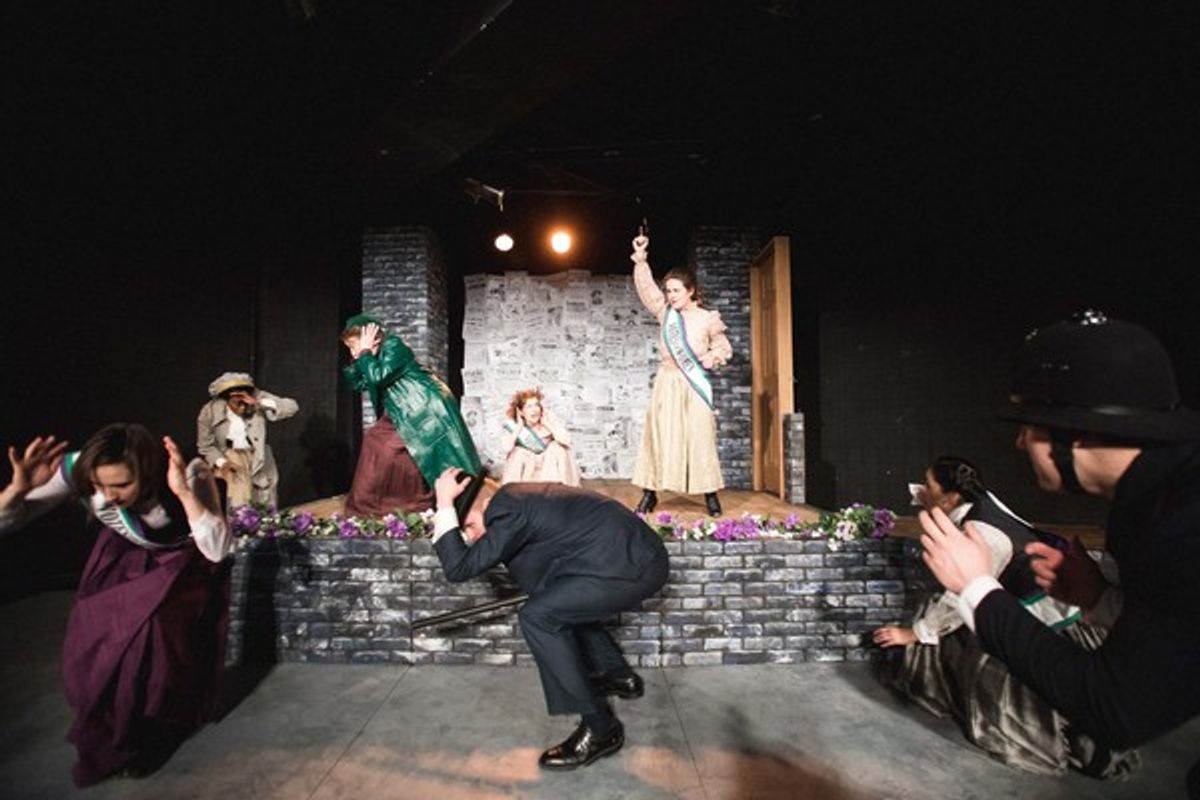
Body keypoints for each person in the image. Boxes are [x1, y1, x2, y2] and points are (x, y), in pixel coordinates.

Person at [918, 311, 1200, 797]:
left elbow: (1117, 709)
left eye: (1030, 425)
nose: (1020, 441)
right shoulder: (1152, 499)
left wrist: (977, 589)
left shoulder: (1182, 524)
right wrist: (1099, 599)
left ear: (1079, 434)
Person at [0, 424, 232, 786]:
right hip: (120, 559)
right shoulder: (80, 470)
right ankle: (114, 727)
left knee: (148, 639)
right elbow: (7, 522)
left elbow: (217, 549)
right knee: (93, 640)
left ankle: (153, 732)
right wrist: (18, 490)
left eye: (121, 485)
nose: (107, 497)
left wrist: (185, 494)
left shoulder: (187, 472)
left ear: (146, 472)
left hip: (180, 566)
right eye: (99, 486)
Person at [874, 456, 1136, 776]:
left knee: (985, 664)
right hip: (1032, 597)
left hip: (1050, 611)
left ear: (952, 496)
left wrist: (915, 632)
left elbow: (962, 594)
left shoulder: (981, 531)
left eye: (928, 486)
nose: (921, 491)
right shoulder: (980, 499)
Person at [431, 467, 669, 770]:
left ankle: (601, 729)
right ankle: (618, 676)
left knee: (538, 617)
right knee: (557, 604)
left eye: (468, 526)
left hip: (630, 567)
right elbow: (542, 569)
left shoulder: (506, 510)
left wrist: (444, 504)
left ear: (483, 507)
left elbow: (458, 568)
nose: (471, 536)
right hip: (634, 556)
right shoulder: (518, 497)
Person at [629, 234, 732, 517]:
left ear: (691, 291)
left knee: (700, 437)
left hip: (693, 383)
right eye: (669, 290)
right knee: (659, 437)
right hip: (667, 382)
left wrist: (712, 357)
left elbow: (723, 347)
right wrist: (641, 259)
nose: (670, 295)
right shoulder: (665, 314)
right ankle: (649, 494)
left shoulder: (707, 317)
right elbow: (647, 289)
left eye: (676, 290)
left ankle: (710, 495)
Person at [340, 314, 481, 515]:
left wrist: (364, 353)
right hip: (403, 409)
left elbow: (378, 376)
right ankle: (392, 503)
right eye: (351, 349)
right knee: (378, 441)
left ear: (373, 338)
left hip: (422, 408)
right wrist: (359, 360)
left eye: (354, 346)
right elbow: (361, 383)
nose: (353, 353)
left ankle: (407, 502)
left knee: (402, 448)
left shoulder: (394, 346)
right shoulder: (371, 355)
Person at [196, 372, 299, 509]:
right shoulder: (210, 411)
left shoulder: (257, 399)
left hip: (258, 456)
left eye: (244, 401)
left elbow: (291, 407)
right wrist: (222, 462)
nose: (242, 407)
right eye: (236, 401)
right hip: (230, 458)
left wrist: (259, 402)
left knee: (264, 500)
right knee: (237, 504)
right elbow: (205, 446)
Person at [500, 388, 581, 487]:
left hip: (550, 467)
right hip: (529, 467)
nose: (534, 410)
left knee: (558, 447)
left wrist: (548, 425)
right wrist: (518, 428)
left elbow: (566, 441)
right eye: (529, 406)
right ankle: (516, 495)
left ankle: (558, 492)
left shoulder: (548, 418)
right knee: (517, 452)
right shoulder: (514, 425)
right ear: (521, 412)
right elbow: (506, 448)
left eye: (536, 405)